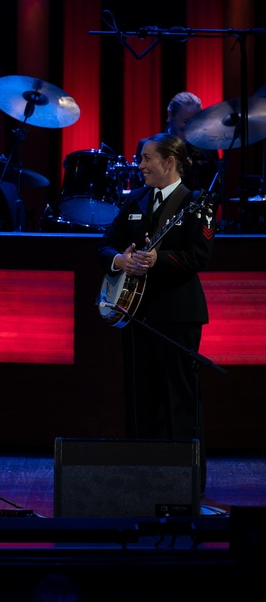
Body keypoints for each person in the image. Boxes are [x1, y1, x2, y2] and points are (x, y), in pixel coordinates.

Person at [97, 132, 215, 492]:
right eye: (140, 158)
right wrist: (120, 259)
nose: (141, 165)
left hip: (178, 315)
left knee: (179, 397)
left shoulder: (196, 203)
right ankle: (141, 479)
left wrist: (158, 260)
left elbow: (201, 256)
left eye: (147, 158)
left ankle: (184, 483)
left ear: (169, 162)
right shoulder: (135, 199)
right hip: (136, 313)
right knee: (140, 397)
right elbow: (104, 245)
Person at [134, 91, 221, 198]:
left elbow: (215, 190)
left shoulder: (208, 147)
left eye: (195, 121)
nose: (191, 127)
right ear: (171, 115)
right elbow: (142, 191)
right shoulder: (148, 146)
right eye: (186, 121)